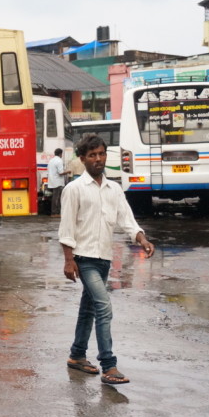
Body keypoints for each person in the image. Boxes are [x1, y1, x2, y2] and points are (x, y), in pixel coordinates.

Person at [59, 134, 155, 386]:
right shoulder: (74, 189)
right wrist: (69, 260)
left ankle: (77, 355)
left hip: (104, 259)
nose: (98, 159)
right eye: (92, 155)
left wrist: (142, 239)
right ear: (82, 159)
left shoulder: (113, 189)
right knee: (103, 307)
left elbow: (127, 219)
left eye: (101, 154)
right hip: (84, 258)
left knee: (88, 309)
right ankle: (109, 365)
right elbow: (66, 228)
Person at [47, 148, 67, 216]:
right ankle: (55, 212)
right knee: (57, 198)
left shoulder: (51, 161)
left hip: (52, 181)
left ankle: (55, 212)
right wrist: (68, 171)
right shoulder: (59, 161)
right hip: (58, 182)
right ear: (60, 154)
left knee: (55, 197)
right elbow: (61, 172)